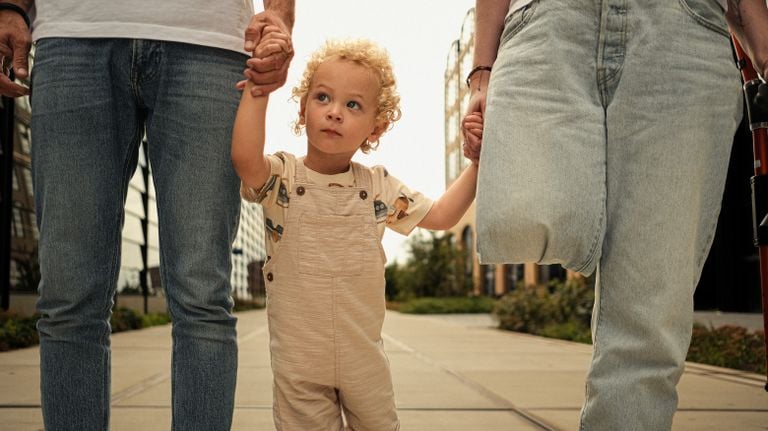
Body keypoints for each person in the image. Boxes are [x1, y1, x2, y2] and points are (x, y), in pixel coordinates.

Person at [0, 1, 294, 429]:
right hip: (73, 33)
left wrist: (281, 18)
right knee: (68, 297)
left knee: (203, 296)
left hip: (208, 39)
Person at [463, 1, 743, 430]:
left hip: (681, 31)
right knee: (521, 217)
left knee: (647, 317)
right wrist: (482, 70)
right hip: (551, 23)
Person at [232, 37, 483, 430]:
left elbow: (441, 215)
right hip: (299, 362)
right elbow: (245, 159)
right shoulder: (282, 179)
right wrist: (259, 89)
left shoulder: (379, 189)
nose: (334, 113)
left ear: (375, 128)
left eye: (353, 105)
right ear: (302, 109)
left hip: (364, 363)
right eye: (323, 98)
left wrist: (477, 164)